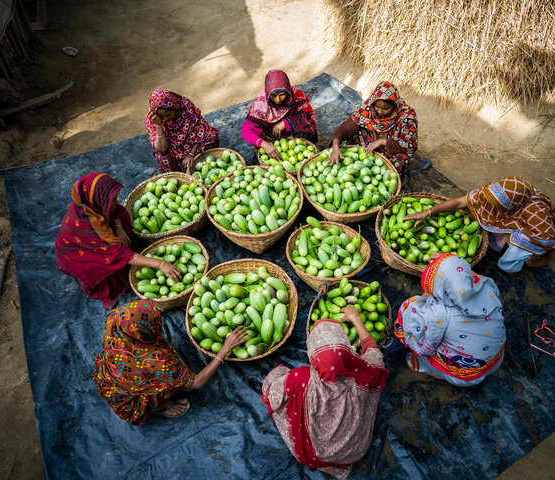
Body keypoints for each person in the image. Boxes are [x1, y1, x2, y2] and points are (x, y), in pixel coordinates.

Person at [262, 306, 390, 479]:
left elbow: (271, 394)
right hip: (353, 451)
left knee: (279, 377)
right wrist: (356, 318)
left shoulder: (301, 378)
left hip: (307, 454)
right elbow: (372, 349)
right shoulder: (364, 374)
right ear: (347, 351)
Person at [94, 300, 248, 424]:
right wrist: (224, 350)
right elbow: (197, 382)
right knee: (172, 386)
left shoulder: (115, 319)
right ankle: (159, 406)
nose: (159, 325)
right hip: (131, 398)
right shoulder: (156, 364)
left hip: (110, 376)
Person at [55, 173, 182, 309]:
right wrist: (161, 264)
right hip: (78, 257)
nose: (116, 202)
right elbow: (118, 254)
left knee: (123, 218)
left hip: (101, 241)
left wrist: (118, 226)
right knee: (114, 272)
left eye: (115, 198)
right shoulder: (91, 224)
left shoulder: (92, 203)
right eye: (113, 199)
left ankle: (131, 254)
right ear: (99, 199)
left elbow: (114, 210)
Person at [403, 176, 555, 273]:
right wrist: (429, 212)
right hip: (513, 218)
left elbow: (549, 239)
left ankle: (515, 262)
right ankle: (503, 237)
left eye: (497, 207)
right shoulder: (495, 192)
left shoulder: (537, 214)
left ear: (511, 206)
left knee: (519, 244)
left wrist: (533, 254)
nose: (490, 206)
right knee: (490, 216)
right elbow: (460, 202)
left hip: (537, 235)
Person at [394, 253, 505, 387]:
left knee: (407, 315)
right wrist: (450, 260)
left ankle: (429, 368)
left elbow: (420, 339)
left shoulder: (438, 315)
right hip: (495, 359)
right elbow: (465, 274)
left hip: (466, 375)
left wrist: (426, 295)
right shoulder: (484, 287)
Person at [328, 81, 417, 175]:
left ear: (394, 106)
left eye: (385, 108)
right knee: (357, 133)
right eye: (377, 107)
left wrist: (382, 141)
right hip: (370, 145)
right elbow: (345, 128)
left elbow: (411, 144)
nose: (380, 111)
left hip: (391, 148)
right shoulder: (368, 108)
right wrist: (335, 145)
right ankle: (364, 165)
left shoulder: (406, 115)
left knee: (399, 160)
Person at [241, 69, 317, 161]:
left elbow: (308, 116)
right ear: (268, 93)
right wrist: (264, 144)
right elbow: (246, 131)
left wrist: (286, 123)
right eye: (273, 96)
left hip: (291, 131)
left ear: (288, 91)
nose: (278, 99)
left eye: (282, 94)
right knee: (259, 140)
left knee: (307, 131)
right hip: (271, 134)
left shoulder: (296, 96)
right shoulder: (261, 105)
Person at [145, 89, 219, 173]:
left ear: (174, 107)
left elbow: (200, 129)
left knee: (211, 136)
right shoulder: (152, 119)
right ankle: (179, 173)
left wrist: (191, 154)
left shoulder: (185, 106)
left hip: (192, 144)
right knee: (162, 157)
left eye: (168, 114)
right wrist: (158, 125)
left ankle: (198, 161)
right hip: (173, 152)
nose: (165, 119)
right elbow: (162, 150)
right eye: (161, 117)